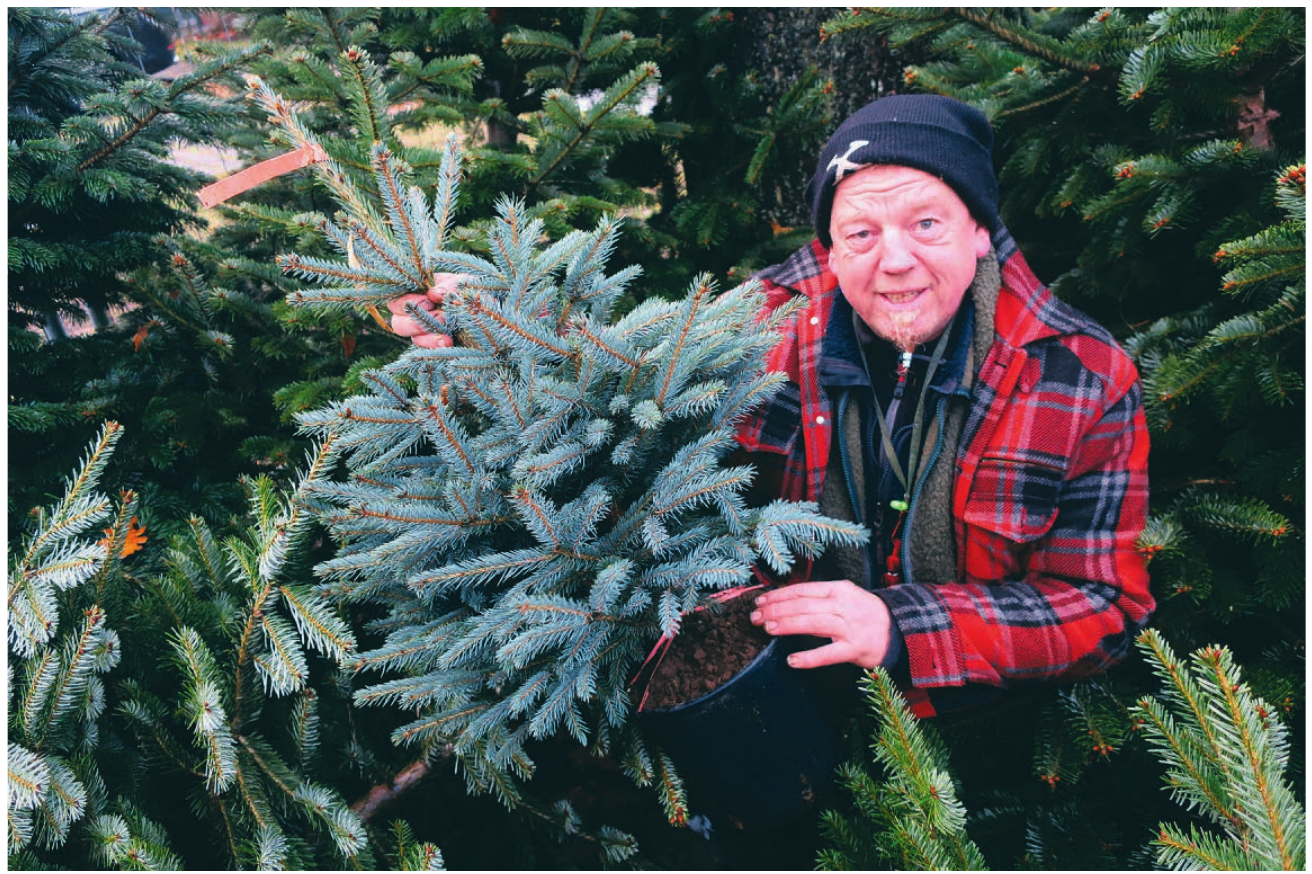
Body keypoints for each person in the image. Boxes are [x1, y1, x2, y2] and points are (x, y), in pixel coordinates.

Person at [390, 94, 1154, 720]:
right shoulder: (765, 322)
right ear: (828, 245)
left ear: (980, 230)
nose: (894, 259)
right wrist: (497, 327)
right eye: (861, 231)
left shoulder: (1079, 377)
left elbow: (1103, 609)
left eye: (926, 223)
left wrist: (902, 627)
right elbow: (626, 385)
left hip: (972, 728)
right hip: (774, 699)